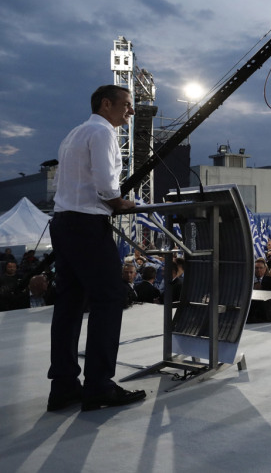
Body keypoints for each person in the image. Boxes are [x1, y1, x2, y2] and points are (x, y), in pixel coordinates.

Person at [47, 85, 145, 412]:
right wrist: (121, 202)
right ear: (107, 103)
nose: (130, 111)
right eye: (127, 105)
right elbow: (105, 187)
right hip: (88, 225)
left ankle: (63, 385)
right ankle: (99, 385)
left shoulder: (74, 134)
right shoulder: (103, 134)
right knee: (109, 298)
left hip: (63, 222)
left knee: (69, 303)